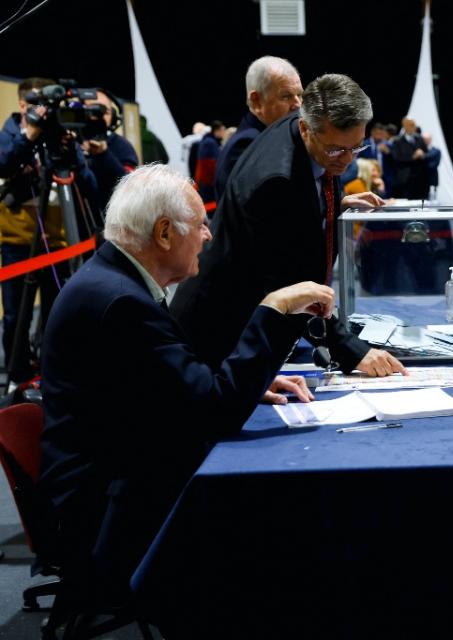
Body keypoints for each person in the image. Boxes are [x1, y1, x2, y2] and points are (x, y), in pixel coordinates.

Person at [39, 164, 331, 611]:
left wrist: (251, 377)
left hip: (105, 486)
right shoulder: (121, 303)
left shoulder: (111, 282)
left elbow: (172, 383)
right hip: (107, 517)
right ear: (163, 233)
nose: (209, 236)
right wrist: (272, 309)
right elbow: (213, 409)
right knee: (282, 525)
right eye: (200, 225)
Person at [170, 73, 405, 377]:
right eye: (336, 150)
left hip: (245, 315)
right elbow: (290, 286)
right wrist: (353, 351)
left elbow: (313, 182)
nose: (346, 161)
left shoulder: (306, 126)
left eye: (356, 148)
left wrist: (335, 201)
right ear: (306, 129)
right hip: (219, 331)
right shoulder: (276, 182)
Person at [0, 77, 98, 374]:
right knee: (17, 316)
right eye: (35, 104)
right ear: (21, 105)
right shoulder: (9, 134)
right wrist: (28, 136)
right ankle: (18, 375)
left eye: (46, 105)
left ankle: (50, 370)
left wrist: (72, 154)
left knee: (55, 314)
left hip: (57, 244)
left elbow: (90, 188)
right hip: (18, 241)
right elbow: (3, 164)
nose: (42, 111)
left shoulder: (60, 137)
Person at [214, 56, 303, 201]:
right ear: (256, 101)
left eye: (299, 95)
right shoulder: (246, 145)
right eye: (286, 96)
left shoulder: (264, 137)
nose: (298, 104)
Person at [82, 89, 139, 211]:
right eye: (93, 110)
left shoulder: (121, 146)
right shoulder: (68, 141)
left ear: (113, 117)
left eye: (105, 111)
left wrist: (103, 154)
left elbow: (128, 187)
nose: (99, 116)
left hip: (105, 221)